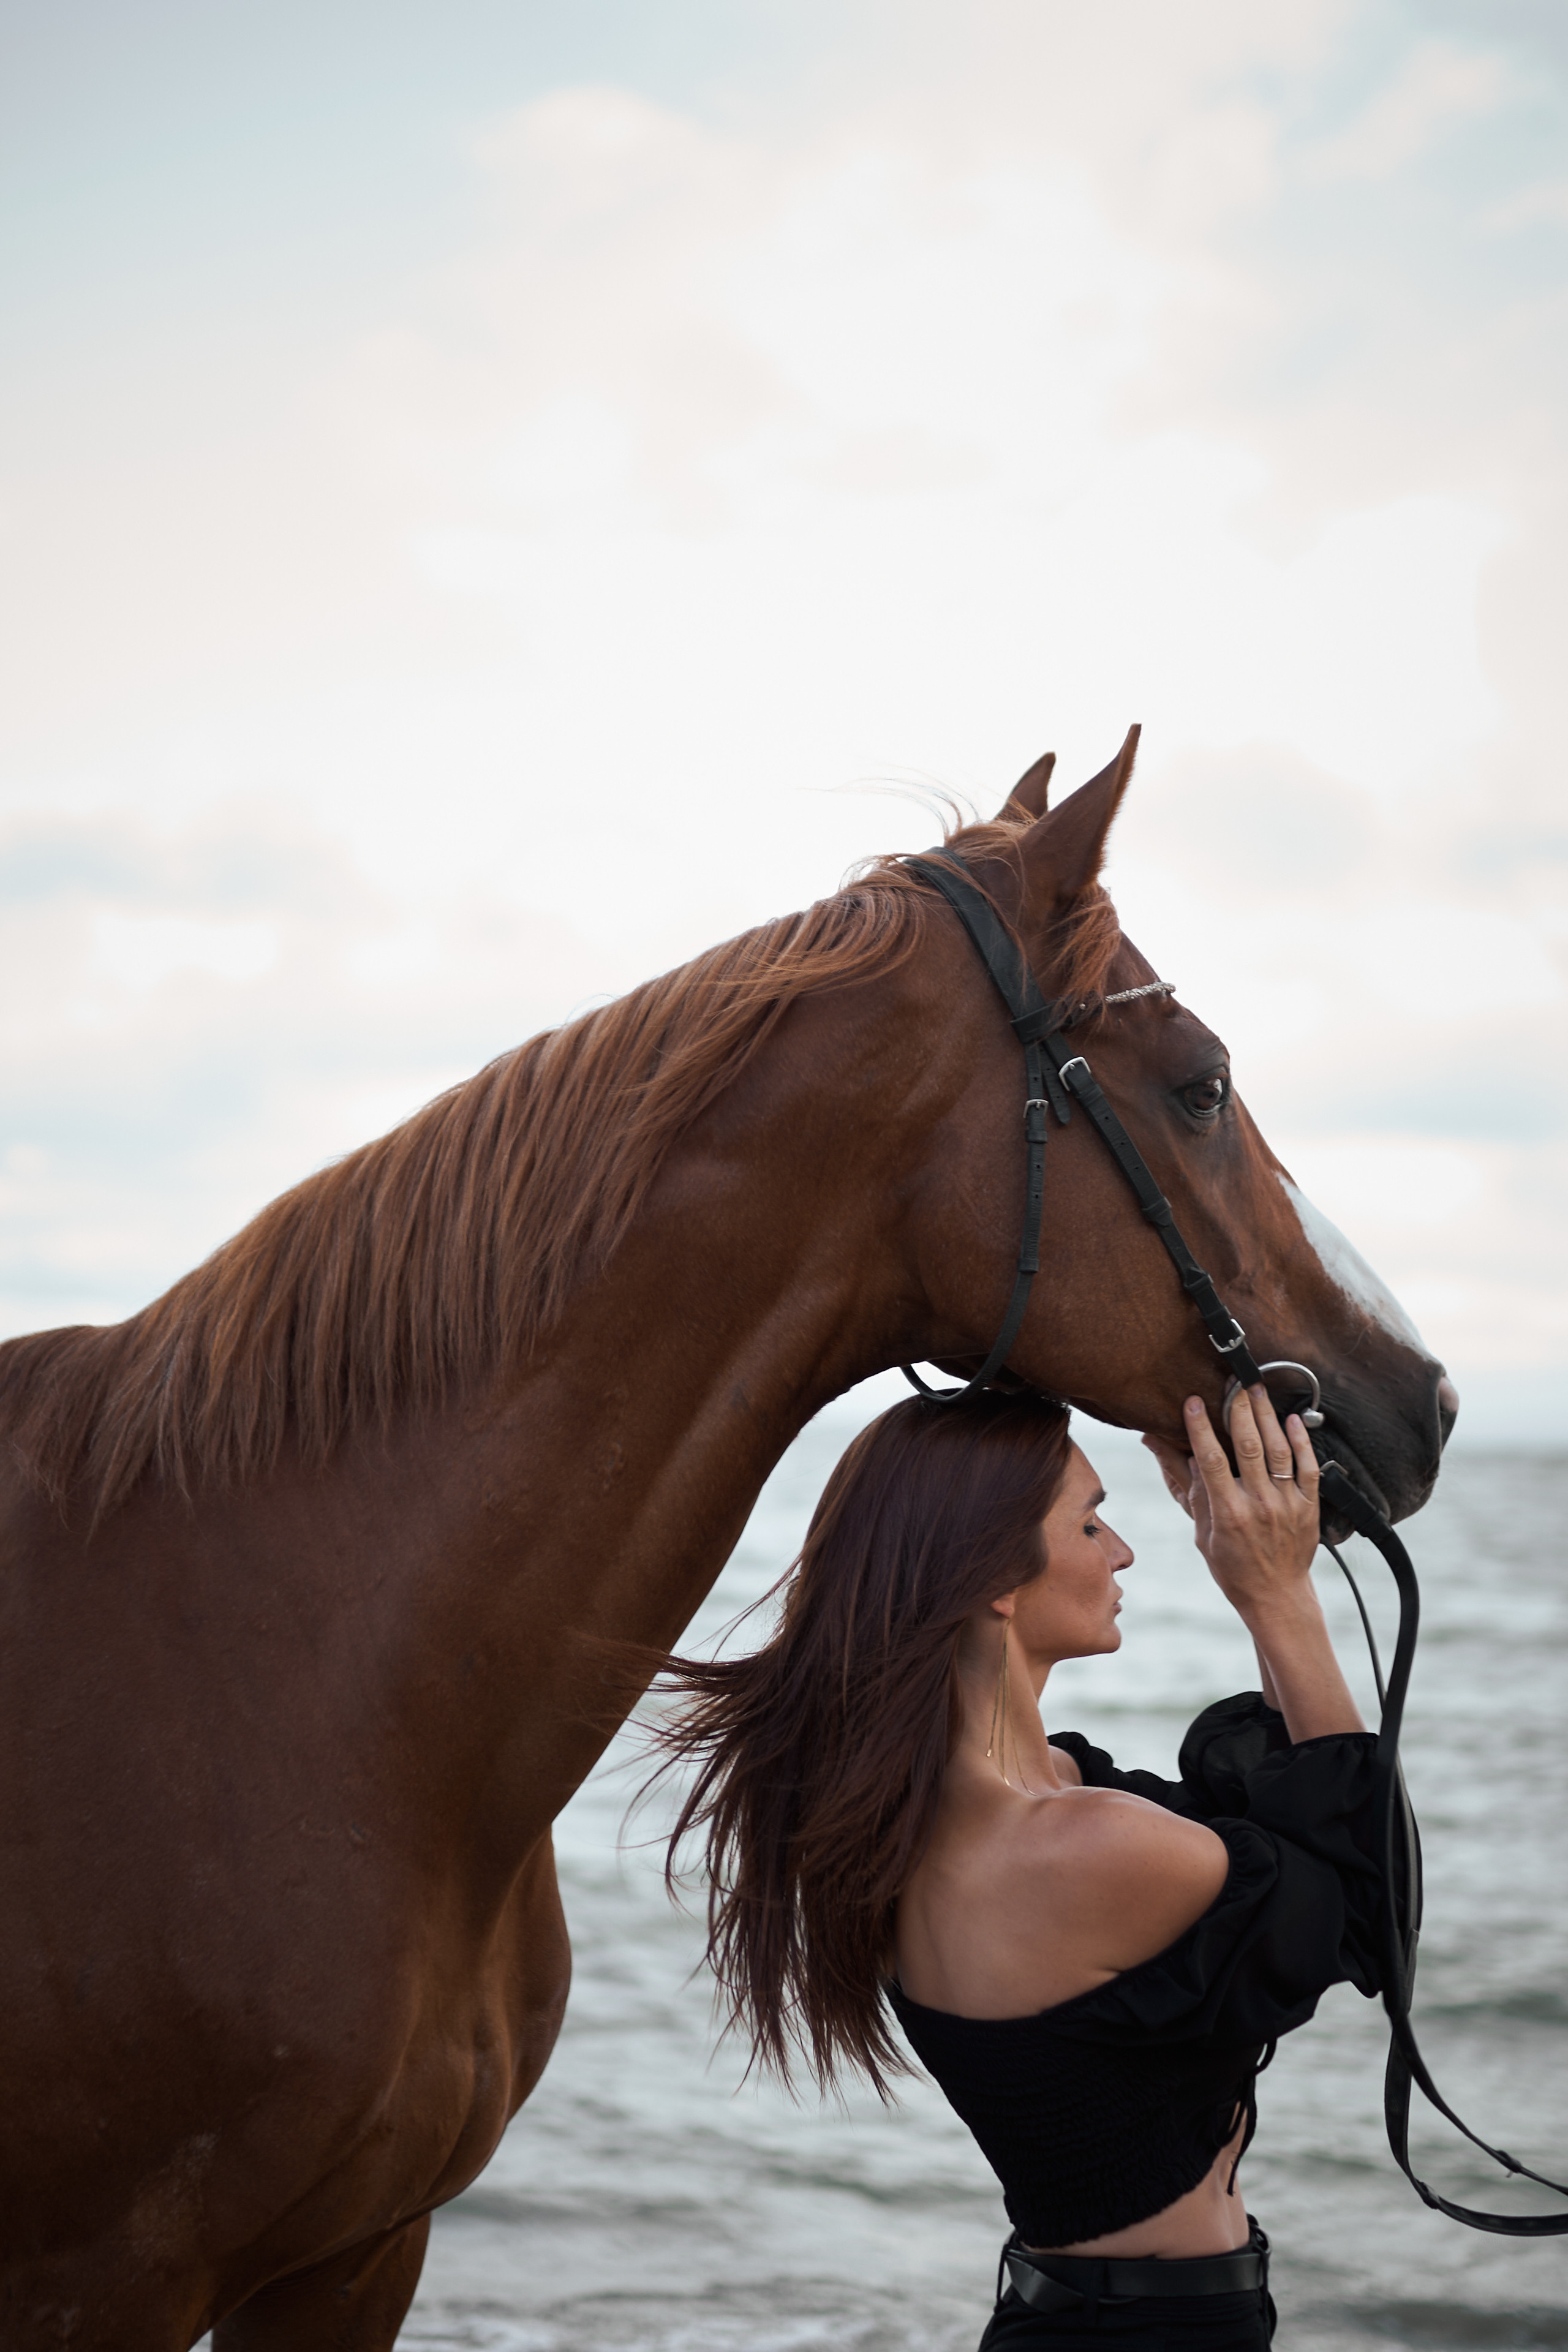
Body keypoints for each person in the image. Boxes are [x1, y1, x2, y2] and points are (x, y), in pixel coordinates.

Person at [655, 1382, 1387, 2349]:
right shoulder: (1073, 1848)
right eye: (1092, 1525)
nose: (1122, 1551)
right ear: (996, 1576)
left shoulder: (926, 1820)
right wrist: (1277, 1594)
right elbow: (1372, 1904)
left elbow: (1302, 1836)